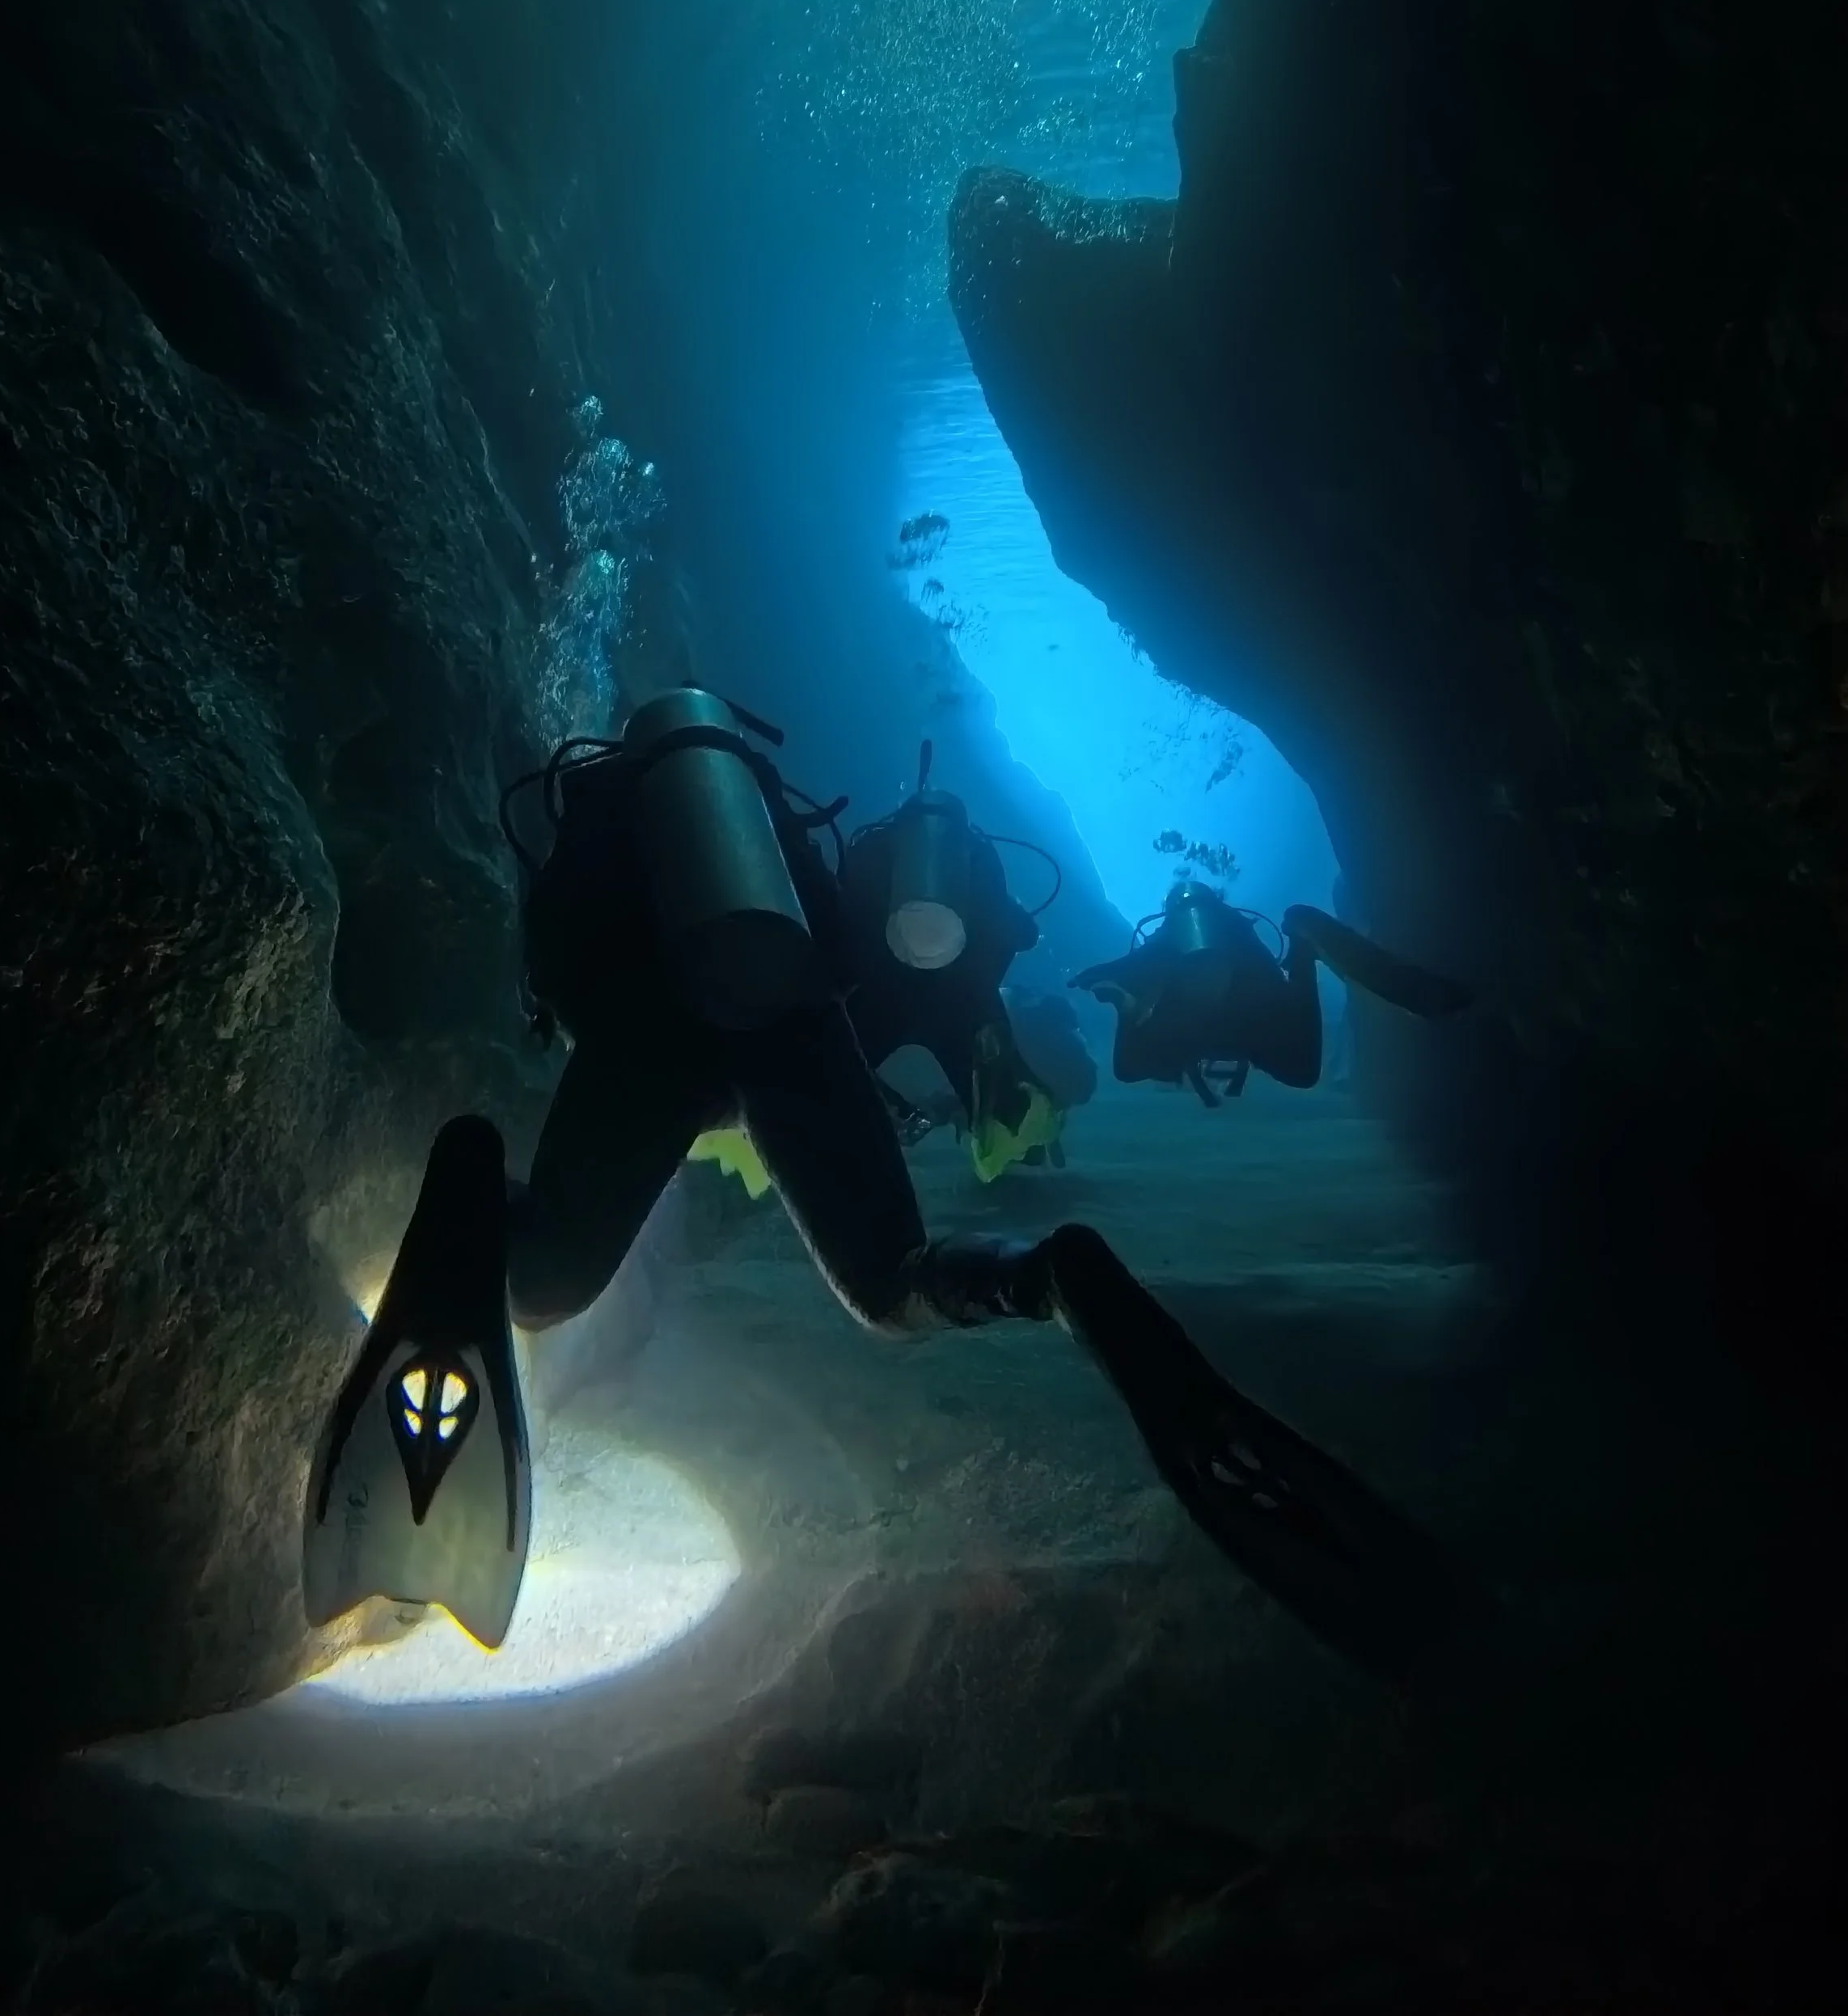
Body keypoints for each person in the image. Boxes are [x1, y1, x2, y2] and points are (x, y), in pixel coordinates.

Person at [304, 690, 1464, 1677]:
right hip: (797, 1018)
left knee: (544, 1284)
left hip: (658, 1031)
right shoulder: (770, 831)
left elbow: (559, 967)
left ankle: (467, 1174)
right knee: (891, 1285)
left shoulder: (601, 820)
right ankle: (1049, 1279)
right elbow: (850, 962)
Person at [837, 746, 1067, 1183]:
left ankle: (888, 1120)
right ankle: (1006, 1140)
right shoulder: (978, 856)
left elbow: (836, 923)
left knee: (832, 1066)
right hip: (962, 1009)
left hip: (880, 1000)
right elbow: (1022, 933)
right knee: (1003, 1111)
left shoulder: (871, 847)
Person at [1073, 878, 1468, 1107]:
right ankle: (1304, 958)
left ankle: (1124, 1006)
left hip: (1196, 1031)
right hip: (1250, 1023)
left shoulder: (1170, 935)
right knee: (1302, 1074)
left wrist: (1112, 977)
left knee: (1127, 1071)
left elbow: (1146, 961)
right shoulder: (1236, 928)